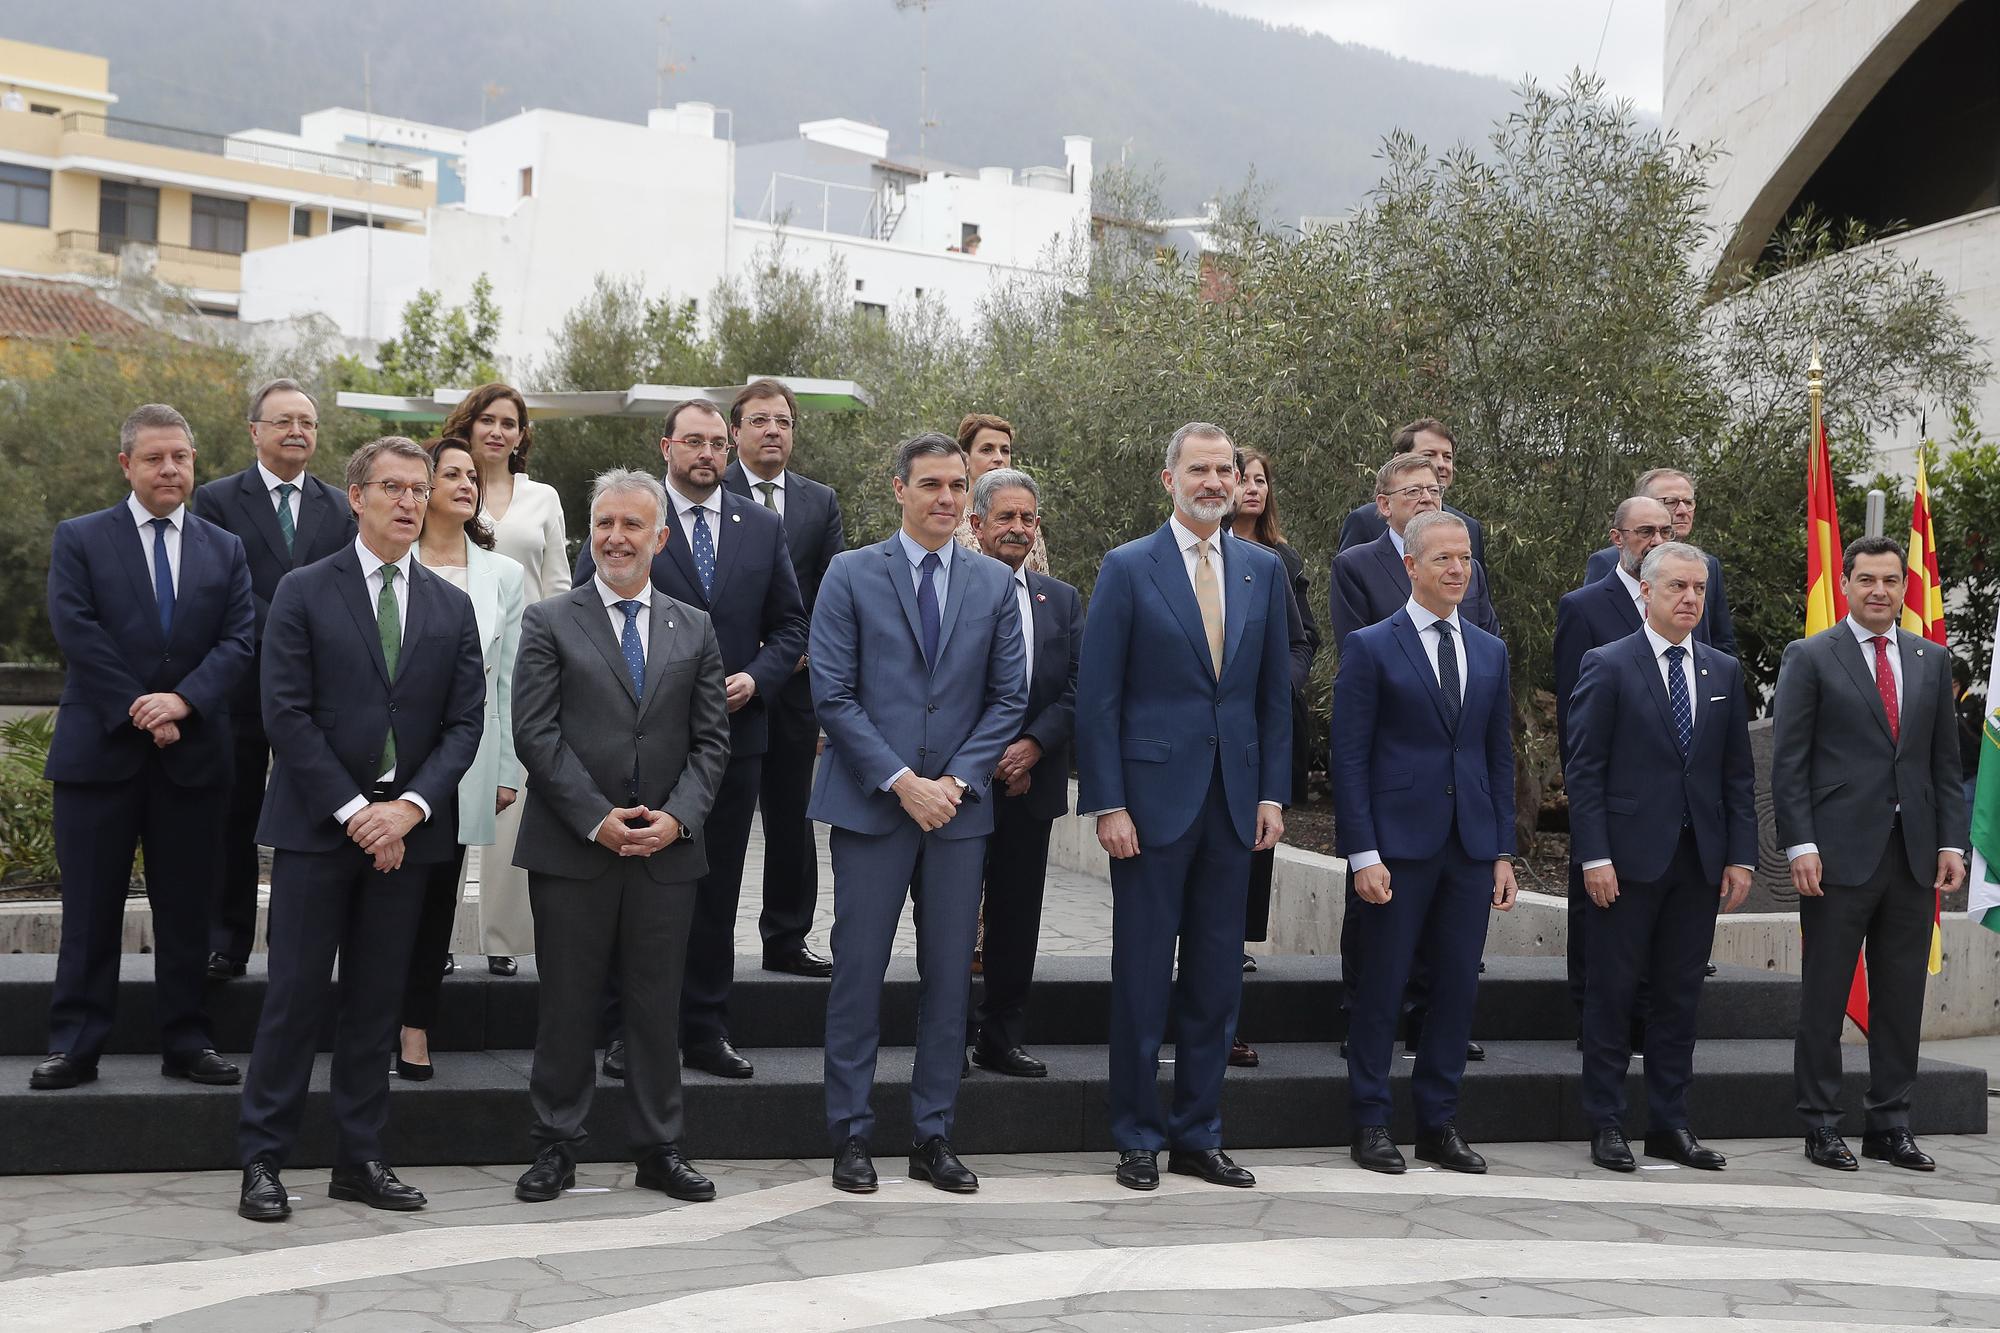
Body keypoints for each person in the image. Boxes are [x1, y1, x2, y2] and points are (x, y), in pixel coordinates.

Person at [236, 436, 485, 1222]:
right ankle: (264, 1161)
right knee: (295, 999)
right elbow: (287, 714)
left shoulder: (452, 605)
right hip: (319, 830)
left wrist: (407, 809)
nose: (411, 501)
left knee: (378, 1002)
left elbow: (465, 722)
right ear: (355, 497)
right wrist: (356, 811)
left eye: (419, 488)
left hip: (407, 838)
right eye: (393, 487)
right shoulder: (305, 592)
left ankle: (360, 1158)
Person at [1077, 422, 1291, 1193]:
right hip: (1149, 806)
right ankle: (1137, 1134)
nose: (1214, 481)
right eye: (1198, 468)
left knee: (1214, 981)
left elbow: (1273, 697)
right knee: (1141, 978)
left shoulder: (1262, 571)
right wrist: (1107, 802)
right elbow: (1098, 697)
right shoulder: (1127, 567)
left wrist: (1272, 791)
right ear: (1168, 479)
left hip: (1234, 806)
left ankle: (1200, 1131)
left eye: (1224, 469)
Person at [810, 433, 1026, 1196]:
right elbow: (832, 694)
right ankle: (851, 1134)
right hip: (874, 807)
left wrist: (956, 783)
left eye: (956, 484)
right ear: (897, 487)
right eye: (930, 482)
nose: (945, 497)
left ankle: (933, 1134)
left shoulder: (996, 584)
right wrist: (904, 781)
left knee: (948, 980)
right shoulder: (849, 573)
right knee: (858, 974)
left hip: (957, 815)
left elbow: (1009, 698)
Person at [509, 469, 731, 1205]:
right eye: (605, 523)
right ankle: (555, 1146)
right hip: (575, 849)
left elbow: (711, 743)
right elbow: (535, 735)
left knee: (654, 1006)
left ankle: (658, 1147)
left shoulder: (693, 627)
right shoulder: (549, 620)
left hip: (667, 854)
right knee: (567, 1005)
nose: (616, 538)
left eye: (633, 525)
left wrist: (679, 817)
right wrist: (595, 818)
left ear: (660, 538)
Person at [573, 399, 807, 1080]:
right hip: (642, 738)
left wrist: (756, 679)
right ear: (666, 446)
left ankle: (705, 1027)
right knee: (636, 887)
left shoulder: (761, 527)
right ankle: (625, 1031)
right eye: (692, 441)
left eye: (716, 442)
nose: (706, 453)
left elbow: (792, 625)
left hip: (733, 739)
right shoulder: (634, 517)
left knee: (715, 887)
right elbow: (595, 613)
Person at [34, 404, 255, 1091]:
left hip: (192, 759)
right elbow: (75, 628)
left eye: (181, 457)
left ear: (194, 463)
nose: (170, 468)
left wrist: (182, 701)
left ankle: (187, 1039)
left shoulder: (226, 548)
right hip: (99, 754)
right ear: (126, 464)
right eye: (155, 457)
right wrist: (140, 706)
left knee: (189, 910)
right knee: (91, 908)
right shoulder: (81, 538)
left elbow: (240, 639)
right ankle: (76, 1044)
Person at [1773, 536, 1968, 1172]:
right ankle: (1822, 1124)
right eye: (1866, 580)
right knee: (1825, 995)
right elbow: (1791, 761)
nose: (1879, 591)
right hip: (1834, 857)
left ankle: (1891, 1122)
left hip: (1912, 856)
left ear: (1903, 588)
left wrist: (1949, 842)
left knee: (1902, 995)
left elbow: (1943, 762)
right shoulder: (1811, 655)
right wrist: (1800, 842)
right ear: (1848, 583)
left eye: (1890, 580)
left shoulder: (1930, 658)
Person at [1331, 509, 1517, 1175]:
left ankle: (1439, 1122)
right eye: (1443, 559)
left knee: (1456, 991)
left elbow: (1499, 757)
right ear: (1411, 566)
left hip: (1468, 847)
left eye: (1465, 558)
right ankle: (1371, 1120)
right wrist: (1363, 853)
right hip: (1396, 850)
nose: (1458, 569)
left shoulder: (1489, 650)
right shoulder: (1373, 645)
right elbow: (1348, 757)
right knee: (1381, 988)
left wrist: (1501, 850)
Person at [1564, 542, 1755, 1174]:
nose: (1691, 600)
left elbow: (1735, 775)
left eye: (1699, 589)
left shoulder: (1722, 672)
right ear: (1645, 592)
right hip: (1625, 861)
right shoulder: (1608, 663)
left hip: (1697, 860)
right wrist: (1593, 855)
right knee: (1613, 995)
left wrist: (1741, 858)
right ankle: (1607, 1122)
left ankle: (1671, 1123)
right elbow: (1585, 771)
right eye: (1677, 588)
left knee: (1678, 997)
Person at [193, 378, 356, 980]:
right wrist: (292, 622)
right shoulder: (214, 500)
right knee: (232, 815)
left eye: (307, 423)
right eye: (284, 421)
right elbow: (214, 589)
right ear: (254, 429)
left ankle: (311, 944)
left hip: (317, 692)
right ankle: (226, 941)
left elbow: (345, 590)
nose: (297, 432)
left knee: (318, 810)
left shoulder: (341, 507)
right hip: (237, 684)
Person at [395, 438, 525, 1080]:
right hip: (384, 764)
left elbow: (510, 683)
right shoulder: (391, 560)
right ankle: (371, 1024)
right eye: (451, 473)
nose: (467, 483)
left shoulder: (501, 574)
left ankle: (415, 1031)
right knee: (378, 903)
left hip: (464, 760)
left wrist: (507, 768)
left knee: (434, 903)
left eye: (472, 475)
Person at [723, 378, 845, 979]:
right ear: (736, 431)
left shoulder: (819, 502)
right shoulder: (707, 494)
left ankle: (787, 938)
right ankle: (705, 941)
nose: (773, 431)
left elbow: (831, 591)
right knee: (715, 818)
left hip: (796, 688)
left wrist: (794, 655)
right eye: (761, 421)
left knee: (793, 818)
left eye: (784, 422)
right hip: (723, 687)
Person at [965, 468, 1082, 1078]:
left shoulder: (1059, 598)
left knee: (1016, 914)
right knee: (952, 915)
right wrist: (986, 759)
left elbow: (1078, 683)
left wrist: (1034, 746)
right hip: (958, 785)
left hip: (1031, 784)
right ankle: (949, 1035)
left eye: (1026, 518)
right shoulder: (952, 590)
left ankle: (1002, 1036)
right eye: (1004, 517)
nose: (1016, 528)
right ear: (977, 523)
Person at [445, 382, 565, 978]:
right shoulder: (443, 486)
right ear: (468, 425)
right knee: (440, 805)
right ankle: (433, 939)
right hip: (444, 668)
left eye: (510, 423)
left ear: (521, 435)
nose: (498, 431)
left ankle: (503, 940)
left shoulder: (543, 498)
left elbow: (559, 584)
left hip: (526, 667)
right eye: (487, 420)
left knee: (509, 805)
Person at [1553, 495, 1678, 1023]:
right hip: (1607, 791)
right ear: (1617, 538)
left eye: (1665, 532)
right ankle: (1591, 1016)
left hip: (1671, 799)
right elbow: (1570, 712)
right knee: (1597, 910)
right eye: (1644, 531)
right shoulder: (1584, 607)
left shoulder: (1686, 599)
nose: (1656, 541)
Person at [1227, 445, 1320, 1068]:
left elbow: (1302, 638)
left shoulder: (1279, 561)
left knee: (1250, 856)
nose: (1252, 489)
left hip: (1263, 730)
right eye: (1244, 478)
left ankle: (1231, 952)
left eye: (1263, 480)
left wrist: (1282, 681)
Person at [1330, 453, 1500, 651]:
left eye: (1434, 490)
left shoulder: (1468, 567)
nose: (1427, 499)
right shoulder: (1355, 566)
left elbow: (1489, 646)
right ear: (1385, 505)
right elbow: (1356, 653)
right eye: (1413, 491)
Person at [1584, 468, 1736, 658]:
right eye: (1671, 502)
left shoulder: (1708, 565)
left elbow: (1720, 641)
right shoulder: (1606, 562)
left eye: (1688, 502)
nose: (1682, 511)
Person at [1337, 418, 1486, 567]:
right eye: (1429, 455)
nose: (1441, 464)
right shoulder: (1365, 521)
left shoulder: (1470, 527)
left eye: (1447, 457)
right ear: (1399, 459)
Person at [953, 413, 1049, 573]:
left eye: (1005, 451)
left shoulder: (1026, 523)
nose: (998, 458)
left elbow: (1040, 579)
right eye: (987, 450)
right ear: (965, 460)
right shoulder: (952, 520)